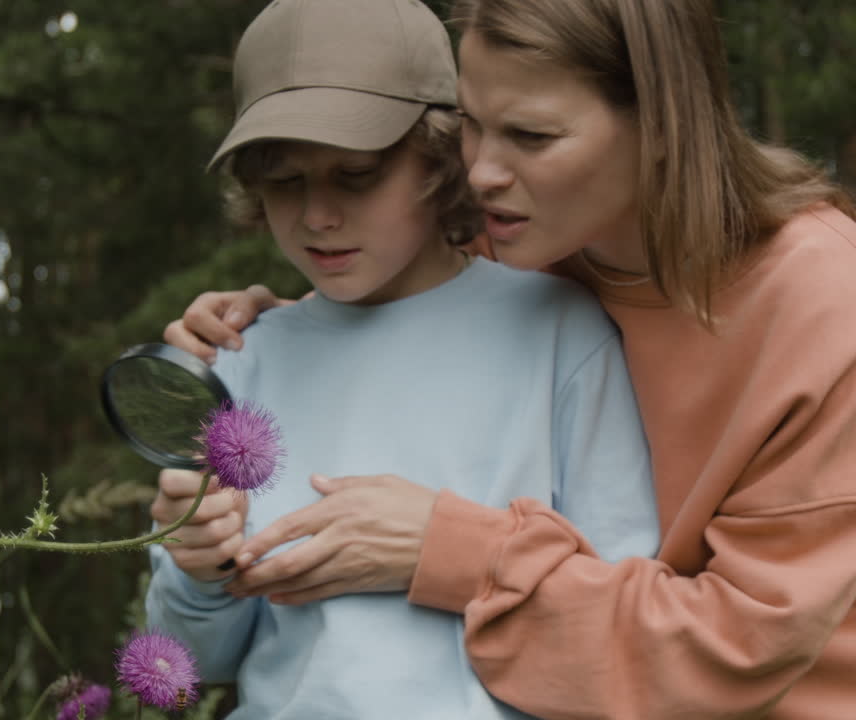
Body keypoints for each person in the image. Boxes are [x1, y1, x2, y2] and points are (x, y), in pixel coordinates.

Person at [165, 0, 856, 718]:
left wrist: (448, 550)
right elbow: (414, 313)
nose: (479, 171)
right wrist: (289, 332)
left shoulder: (822, 302)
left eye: (530, 134)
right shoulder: (533, 243)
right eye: (470, 121)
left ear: (662, 123)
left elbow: (734, 654)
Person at [144, 0, 659, 718]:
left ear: (445, 157)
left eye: (357, 174)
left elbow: (625, 617)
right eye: (284, 180)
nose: (318, 214)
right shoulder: (241, 362)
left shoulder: (558, 333)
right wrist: (197, 571)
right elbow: (186, 668)